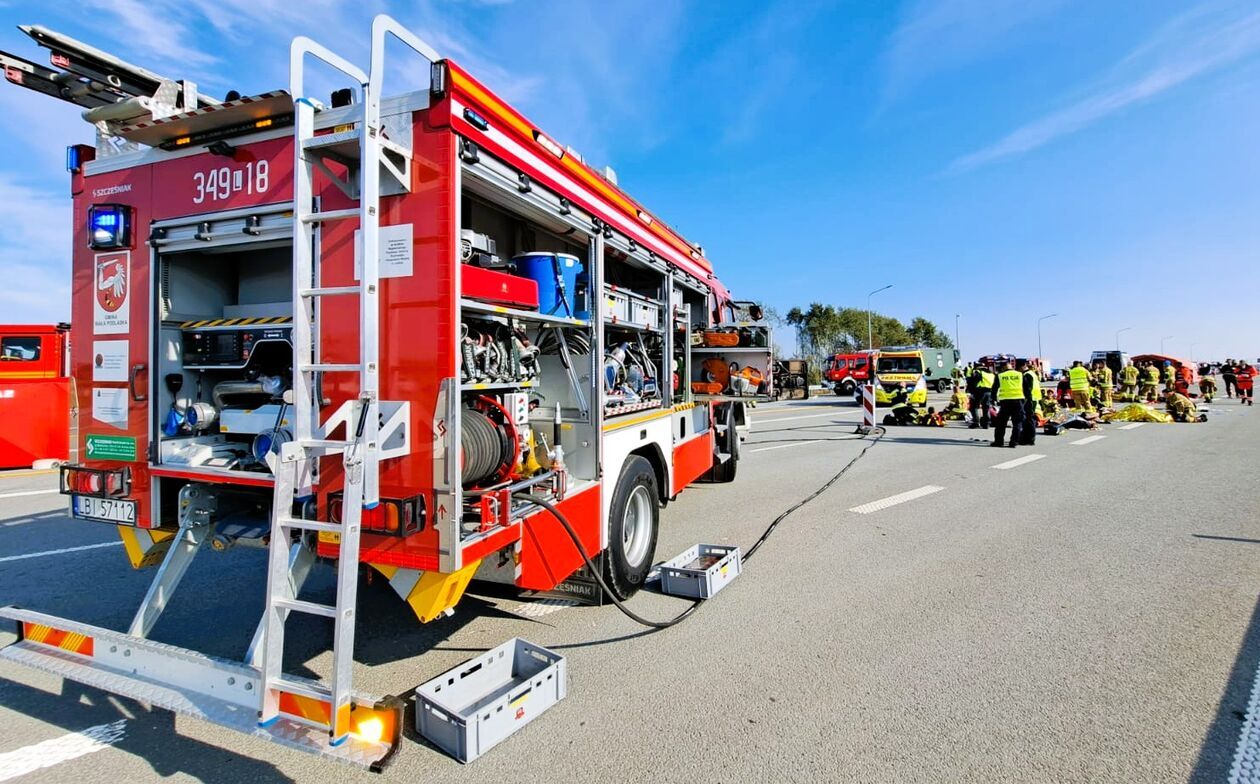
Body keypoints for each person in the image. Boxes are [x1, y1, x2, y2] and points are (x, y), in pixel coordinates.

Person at [991, 359, 1029, 448]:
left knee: (1001, 423)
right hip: (1018, 401)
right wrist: (1026, 400)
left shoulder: (1000, 376)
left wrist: (993, 400)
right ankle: (1014, 442)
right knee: (1017, 423)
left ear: (1004, 367)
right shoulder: (1020, 375)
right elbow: (1027, 389)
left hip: (1005, 402)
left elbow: (994, 389)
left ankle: (999, 442)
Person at [967, 363, 994, 429]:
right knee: (986, 408)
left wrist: (971, 391)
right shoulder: (991, 374)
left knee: (973, 407)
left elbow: (973, 382)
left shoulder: (979, 372)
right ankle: (986, 424)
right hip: (989, 392)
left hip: (979, 391)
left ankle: (976, 422)